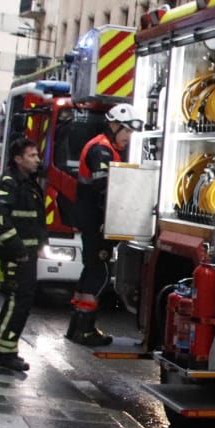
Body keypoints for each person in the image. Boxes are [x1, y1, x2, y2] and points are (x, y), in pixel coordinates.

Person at [67, 103, 139, 346]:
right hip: (96, 222)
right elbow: (105, 189)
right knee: (99, 273)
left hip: (92, 220)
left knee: (90, 271)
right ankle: (84, 329)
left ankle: (76, 327)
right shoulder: (102, 150)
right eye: (126, 131)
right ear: (114, 126)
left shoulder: (105, 147)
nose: (129, 137)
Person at [0, 137, 45, 372]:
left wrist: (41, 243)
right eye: (32, 156)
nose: (37, 160)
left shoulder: (28, 183)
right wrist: (19, 251)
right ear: (18, 159)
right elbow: (0, 220)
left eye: (37, 155)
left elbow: (35, 219)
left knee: (15, 300)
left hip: (27, 253)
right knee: (19, 302)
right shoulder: (10, 184)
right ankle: (5, 351)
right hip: (18, 255)